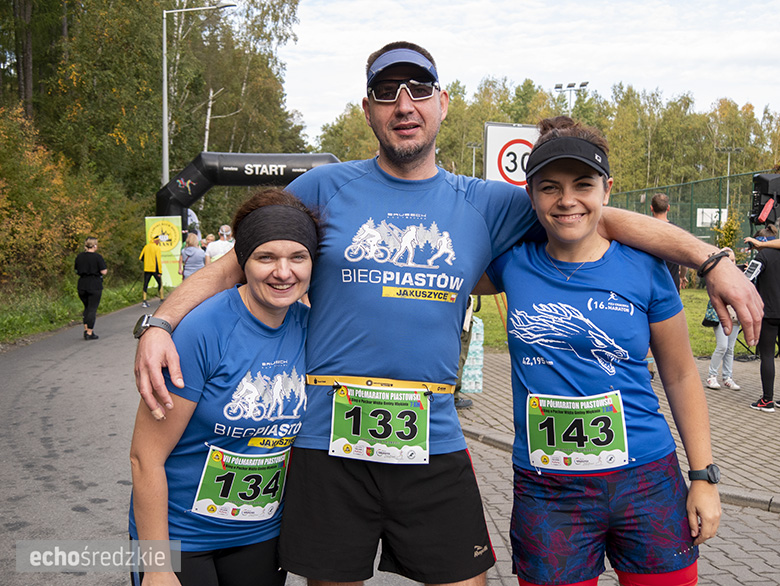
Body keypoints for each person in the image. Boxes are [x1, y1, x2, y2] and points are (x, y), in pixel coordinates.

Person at [134, 42, 760, 586]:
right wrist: (162, 323)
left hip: (431, 440)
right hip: (329, 443)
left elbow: (590, 213)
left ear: (443, 103)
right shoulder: (324, 187)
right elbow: (233, 264)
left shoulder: (486, 202)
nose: (403, 104)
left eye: (418, 90)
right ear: (368, 109)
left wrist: (713, 261)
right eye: (387, 92)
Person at [479, 116, 721, 586]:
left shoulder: (645, 267)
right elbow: (440, 276)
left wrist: (703, 477)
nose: (567, 200)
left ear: (607, 190)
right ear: (531, 195)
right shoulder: (510, 264)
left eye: (583, 185)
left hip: (646, 481)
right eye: (550, 187)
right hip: (548, 490)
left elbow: (680, 374)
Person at [129, 188, 320, 586]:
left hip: (261, 535)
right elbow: (145, 457)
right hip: (181, 537)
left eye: (297, 257)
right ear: (242, 261)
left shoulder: (312, 329)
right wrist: (157, 566)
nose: (283, 272)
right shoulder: (202, 329)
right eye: (266, 257)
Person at [744, 228, 780, 412]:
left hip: (769, 312)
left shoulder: (763, 256)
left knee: (767, 355)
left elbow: (746, 279)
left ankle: (767, 400)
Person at [703, 248, 741, 390]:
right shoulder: (715, 276)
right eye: (728, 260)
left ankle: (727, 377)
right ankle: (712, 376)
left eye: (733, 260)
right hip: (721, 316)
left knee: (730, 348)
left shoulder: (739, 276)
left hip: (735, 315)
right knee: (722, 346)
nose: (732, 263)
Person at [74, 236, 107, 340]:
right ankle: (90, 332)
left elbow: (76, 270)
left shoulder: (79, 256)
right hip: (94, 284)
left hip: (82, 284)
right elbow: (104, 271)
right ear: (94, 246)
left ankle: (86, 329)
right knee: (92, 309)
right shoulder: (98, 257)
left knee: (87, 308)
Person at [651, 193, 682, 292]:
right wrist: (682, 275)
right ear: (668, 208)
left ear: (651, 208)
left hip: (650, 285)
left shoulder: (645, 229)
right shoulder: (677, 231)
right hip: (671, 285)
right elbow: (684, 258)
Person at [140, 235, 164, 308]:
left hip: (147, 269)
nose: (158, 242)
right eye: (158, 241)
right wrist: (159, 272)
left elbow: (141, 258)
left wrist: (147, 261)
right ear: (155, 240)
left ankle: (144, 300)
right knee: (160, 283)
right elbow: (158, 261)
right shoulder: (157, 248)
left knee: (145, 284)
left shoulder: (146, 247)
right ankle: (162, 299)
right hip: (155, 269)